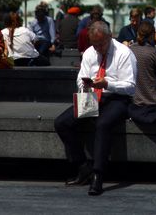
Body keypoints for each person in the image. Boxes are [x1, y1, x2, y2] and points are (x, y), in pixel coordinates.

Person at [54, 21, 137, 196]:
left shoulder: (124, 53)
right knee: (62, 122)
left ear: (109, 37)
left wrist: (108, 83)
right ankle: (83, 167)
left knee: (102, 124)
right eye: (95, 44)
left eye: (101, 44)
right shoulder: (90, 53)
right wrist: (85, 85)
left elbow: (130, 87)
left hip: (117, 98)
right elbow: (80, 77)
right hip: (92, 95)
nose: (98, 48)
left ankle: (98, 175)